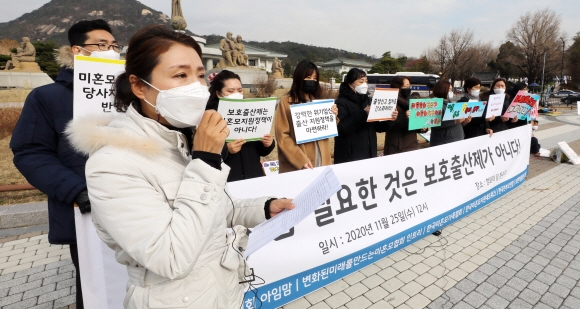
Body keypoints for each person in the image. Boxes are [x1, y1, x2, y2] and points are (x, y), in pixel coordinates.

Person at [65, 25, 295, 309]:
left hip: (222, 292)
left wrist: (263, 208)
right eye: (180, 75)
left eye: (200, 75)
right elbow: (171, 256)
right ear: (139, 86)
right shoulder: (112, 164)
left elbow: (216, 210)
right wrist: (207, 161)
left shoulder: (182, 140)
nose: (196, 87)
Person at [10, 19, 119, 309]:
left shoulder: (129, 94)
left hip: (136, 202)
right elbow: (30, 152)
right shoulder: (47, 97)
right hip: (85, 210)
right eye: (102, 45)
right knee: (98, 288)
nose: (111, 51)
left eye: (115, 46)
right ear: (78, 50)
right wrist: (76, 191)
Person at [206, 70, 275, 182]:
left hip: (255, 176)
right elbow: (204, 154)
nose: (237, 94)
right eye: (230, 91)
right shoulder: (211, 117)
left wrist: (268, 144)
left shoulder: (251, 111)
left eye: (240, 90)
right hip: (228, 180)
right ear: (218, 94)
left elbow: (261, 150)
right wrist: (226, 150)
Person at [275, 60, 338, 173]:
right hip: (298, 166)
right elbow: (283, 137)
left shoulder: (319, 101)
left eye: (314, 79)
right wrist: (300, 160)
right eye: (308, 77)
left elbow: (327, 129)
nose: (312, 81)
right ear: (299, 78)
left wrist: (333, 115)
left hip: (321, 161)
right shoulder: (286, 102)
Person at [333, 68, 398, 163]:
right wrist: (364, 113)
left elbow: (377, 126)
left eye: (366, 81)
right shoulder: (341, 102)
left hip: (370, 153)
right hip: (350, 156)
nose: (365, 84)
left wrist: (390, 118)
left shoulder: (367, 100)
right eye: (361, 81)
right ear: (350, 84)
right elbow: (342, 128)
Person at [384, 76, 421, 155]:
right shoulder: (389, 102)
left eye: (409, 86)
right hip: (396, 147)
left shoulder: (413, 102)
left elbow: (416, 126)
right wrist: (405, 117)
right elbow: (387, 125)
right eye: (405, 86)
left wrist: (422, 128)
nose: (408, 88)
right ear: (398, 87)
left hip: (411, 145)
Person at [430, 80, 471, 147]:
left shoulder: (451, 103)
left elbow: (458, 121)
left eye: (451, 90)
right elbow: (434, 123)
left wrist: (464, 121)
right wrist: (455, 121)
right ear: (442, 89)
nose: (451, 92)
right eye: (449, 89)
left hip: (456, 141)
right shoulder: (434, 104)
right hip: (443, 142)